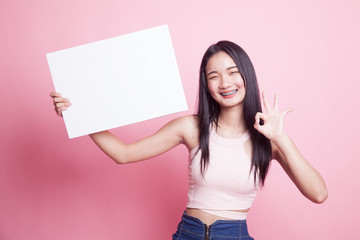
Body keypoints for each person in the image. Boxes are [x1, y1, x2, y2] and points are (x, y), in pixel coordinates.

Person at [50, 41, 328, 240]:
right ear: (206, 85)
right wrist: (80, 115)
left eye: (232, 72)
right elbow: (123, 153)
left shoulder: (269, 139)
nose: (225, 83)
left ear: (247, 75)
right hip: (189, 233)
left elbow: (318, 193)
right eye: (214, 76)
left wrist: (281, 138)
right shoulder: (192, 127)